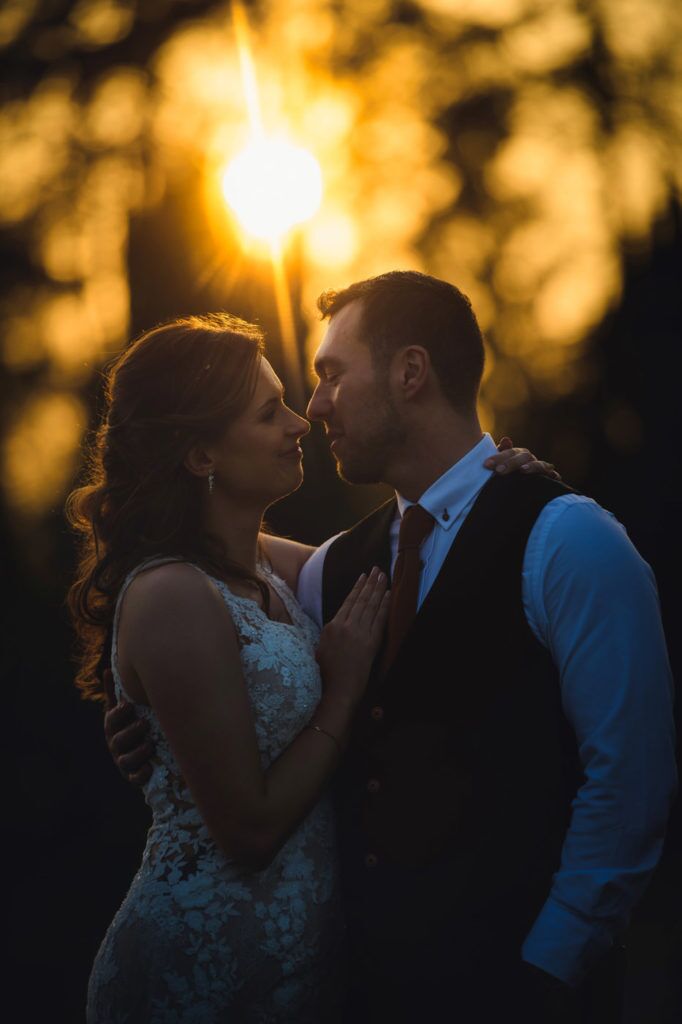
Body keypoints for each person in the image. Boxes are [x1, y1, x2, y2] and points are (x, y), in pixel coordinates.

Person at [104, 271, 675, 1022]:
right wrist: (144, 725)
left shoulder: (571, 541)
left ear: (410, 373)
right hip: (357, 991)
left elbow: (629, 784)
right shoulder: (332, 570)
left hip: (527, 988)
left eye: (332, 375)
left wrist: (552, 968)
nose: (313, 409)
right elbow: (207, 595)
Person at [67, 312, 394, 1023]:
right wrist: (340, 693)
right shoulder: (172, 593)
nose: (300, 424)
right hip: (196, 972)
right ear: (201, 455)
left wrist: (494, 479)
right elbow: (248, 831)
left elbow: (399, 551)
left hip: (298, 971)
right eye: (269, 412)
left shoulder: (270, 567)